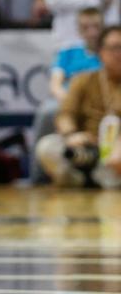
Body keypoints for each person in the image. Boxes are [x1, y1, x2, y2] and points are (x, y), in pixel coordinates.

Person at [36, 25, 121, 189]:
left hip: (116, 152)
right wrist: (72, 135)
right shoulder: (83, 80)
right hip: (85, 145)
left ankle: (102, 179)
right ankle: (78, 179)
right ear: (101, 52)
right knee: (47, 147)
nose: (119, 54)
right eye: (114, 48)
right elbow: (66, 114)